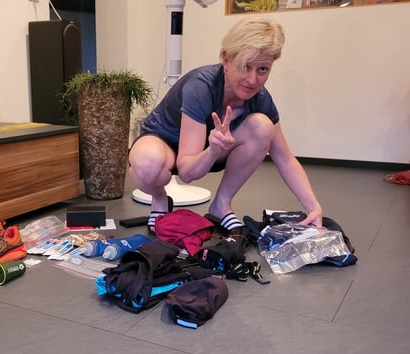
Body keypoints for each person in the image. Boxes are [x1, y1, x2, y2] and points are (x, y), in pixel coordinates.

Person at [128, 18, 323, 233]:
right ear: (226, 60)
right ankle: (159, 199)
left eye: (262, 69)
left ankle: (221, 204)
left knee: (263, 126)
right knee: (148, 163)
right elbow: (187, 174)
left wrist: (313, 206)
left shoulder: (260, 98)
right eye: (245, 67)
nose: (253, 80)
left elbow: (285, 159)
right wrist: (212, 151)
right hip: (164, 143)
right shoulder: (200, 86)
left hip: (210, 151)